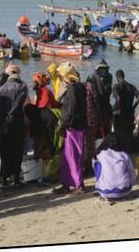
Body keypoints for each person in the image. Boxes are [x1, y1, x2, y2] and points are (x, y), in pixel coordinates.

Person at [0, 65, 29, 189]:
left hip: (2, 127)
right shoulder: (22, 87)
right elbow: (23, 105)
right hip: (16, 125)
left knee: (5, 152)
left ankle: (5, 180)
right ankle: (16, 179)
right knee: (17, 152)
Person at [52, 63, 88, 195]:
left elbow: (70, 110)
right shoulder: (80, 87)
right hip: (77, 126)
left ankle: (79, 185)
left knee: (73, 156)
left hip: (73, 127)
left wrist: (63, 125)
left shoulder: (72, 89)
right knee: (67, 157)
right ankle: (66, 183)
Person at [93, 133, 137, 201]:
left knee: (97, 165)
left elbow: (96, 170)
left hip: (105, 191)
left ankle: (103, 185)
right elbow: (132, 174)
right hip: (124, 191)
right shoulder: (124, 155)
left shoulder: (101, 155)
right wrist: (129, 183)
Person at [112, 70, 139, 153]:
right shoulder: (131, 86)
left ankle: (122, 149)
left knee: (119, 132)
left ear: (117, 77)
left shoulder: (116, 86)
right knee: (128, 132)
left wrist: (117, 109)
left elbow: (118, 98)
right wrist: (133, 107)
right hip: (129, 113)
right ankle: (131, 149)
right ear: (124, 76)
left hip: (121, 115)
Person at [87, 59, 113, 138]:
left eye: (105, 69)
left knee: (105, 126)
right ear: (98, 70)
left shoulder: (109, 77)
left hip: (105, 105)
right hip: (95, 106)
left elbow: (107, 91)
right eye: (102, 69)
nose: (104, 71)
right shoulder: (92, 77)